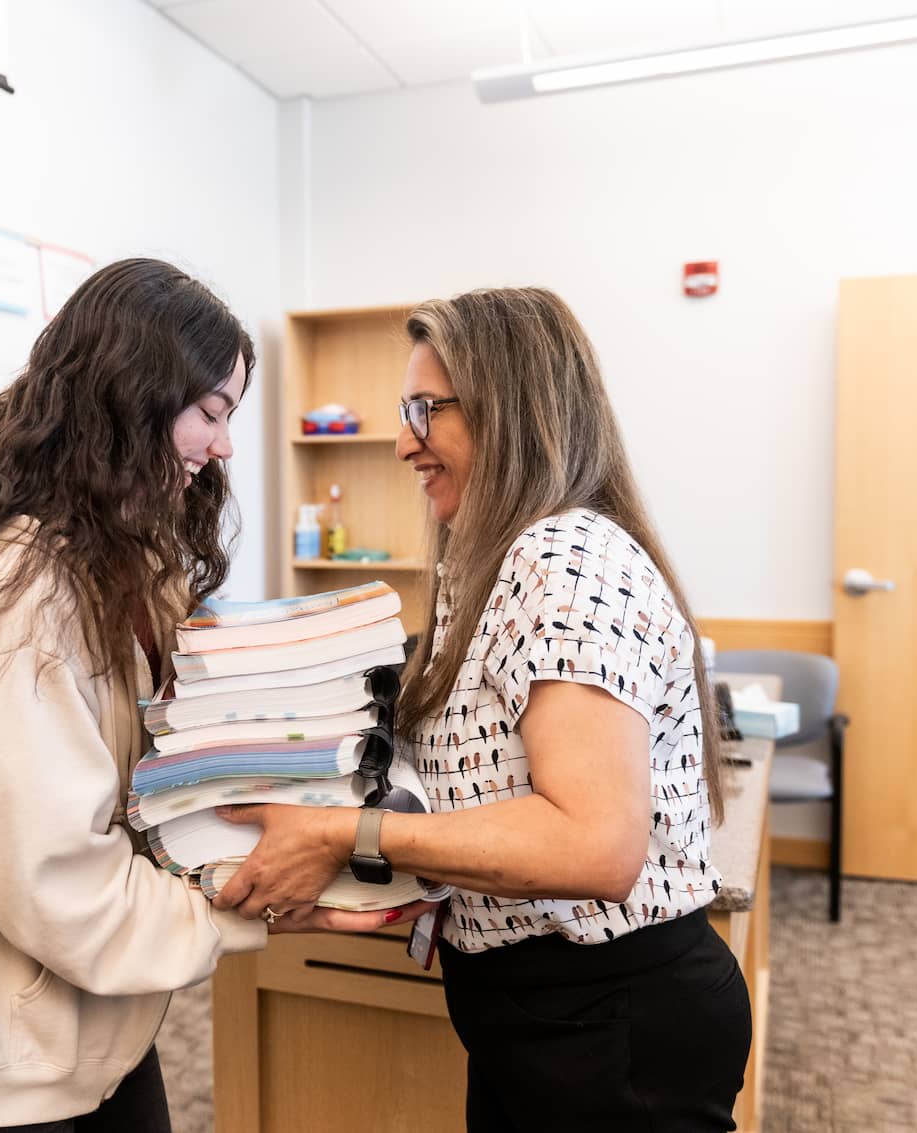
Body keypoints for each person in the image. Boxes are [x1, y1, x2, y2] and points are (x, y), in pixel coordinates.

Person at [0, 258, 422, 1133]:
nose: (224, 446)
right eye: (211, 413)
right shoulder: (17, 602)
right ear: (128, 398)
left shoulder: (121, 557)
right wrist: (271, 907)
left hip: (89, 1021)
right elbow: (61, 891)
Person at [211, 287, 753, 1131]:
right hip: (545, 1015)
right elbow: (487, 794)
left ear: (514, 410)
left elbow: (592, 842)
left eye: (427, 410)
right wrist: (378, 887)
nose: (402, 443)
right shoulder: (491, 555)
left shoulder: (563, 558)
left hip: (610, 1027)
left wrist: (343, 836)